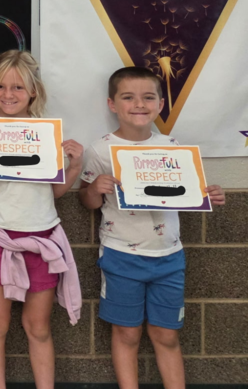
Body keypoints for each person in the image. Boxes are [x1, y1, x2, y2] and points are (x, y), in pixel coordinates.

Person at [79, 66, 225, 389]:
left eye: (148, 97)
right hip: (120, 256)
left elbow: (190, 194)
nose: (139, 105)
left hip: (169, 258)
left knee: (166, 334)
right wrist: (94, 189)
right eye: (128, 97)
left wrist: (208, 194)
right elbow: (87, 201)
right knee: (126, 333)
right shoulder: (100, 150)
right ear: (112, 104)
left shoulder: (172, 147)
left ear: (160, 105)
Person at [0, 50, 84, 389]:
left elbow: (54, 194)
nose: (8, 94)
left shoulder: (48, 135)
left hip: (42, 240)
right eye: (0, 87)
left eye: (17, 87)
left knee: (38, 327)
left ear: (33, 91)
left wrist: (73, 167)